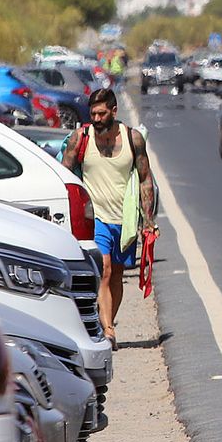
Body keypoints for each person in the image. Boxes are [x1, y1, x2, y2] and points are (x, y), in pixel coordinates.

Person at [62, 87, 155, 347]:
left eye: (102, 114)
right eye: (93, 114)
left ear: (114, 111)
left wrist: (147, 220)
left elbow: (145, 179)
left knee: (116, 274)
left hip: (123, 220)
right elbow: (64, 176)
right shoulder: (80, 138)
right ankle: (109, 329)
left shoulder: (132, 138)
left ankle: (106, 324)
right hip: (96, 217)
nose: (97, 119)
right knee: (103, 269)